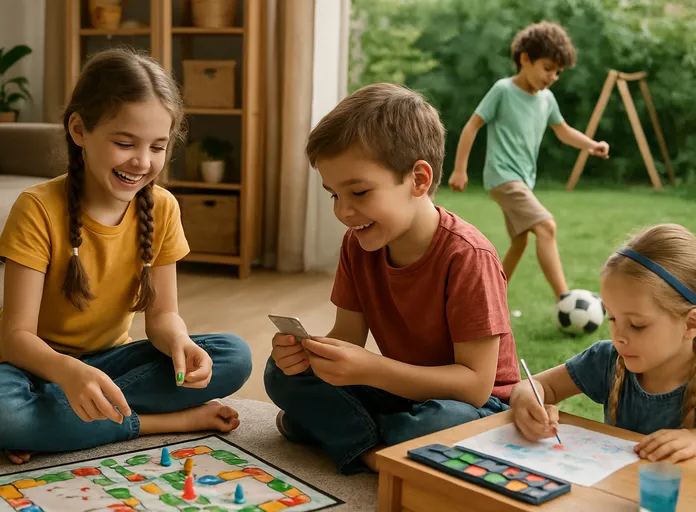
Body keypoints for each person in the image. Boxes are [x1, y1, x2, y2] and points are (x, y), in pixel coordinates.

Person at [0, 48, 252, 464]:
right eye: (124, 143)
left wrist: (180, 342)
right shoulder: (37, 208)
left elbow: (163, 317)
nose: (142, 161)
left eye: (158, 147)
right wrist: (69, 373)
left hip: (113, 363)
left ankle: (59, 423)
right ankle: (168, 421)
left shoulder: (163, 207)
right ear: (79, 130)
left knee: (234, 356)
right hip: (34, 371)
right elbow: (17, 339)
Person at [264, 83, 520, 475]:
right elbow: (347, 337)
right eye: (334, 195)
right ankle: (375, 445)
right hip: (399, 391)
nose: (343, 212)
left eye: (359, 192)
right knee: (279, 374)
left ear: (418, 179)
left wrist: (369, 370)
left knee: (433, 424)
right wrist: (305, 355)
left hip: (476, 407)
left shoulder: (468, 256)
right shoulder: (358, 245)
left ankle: (345, 433)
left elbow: (475, 385)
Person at [448, 21, 610, 302]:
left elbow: (563, 130)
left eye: (558, 72)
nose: (553, 76)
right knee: (546, 227)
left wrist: (591, 145)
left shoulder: (547, 99)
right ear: (525, 59)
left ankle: (490, 295)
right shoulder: (503, 90)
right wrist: (460, 170)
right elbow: (472, 125)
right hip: (502, 176)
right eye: (548, 68)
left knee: (520, 240)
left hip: (522, 180)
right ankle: (565, 298)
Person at [510, 224, 696, 463]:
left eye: (637, 325)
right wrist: (528, 401)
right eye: (612, 318)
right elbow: (536, 385)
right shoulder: (607, 359)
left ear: (690, 324)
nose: (619, 336)